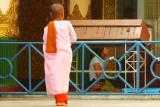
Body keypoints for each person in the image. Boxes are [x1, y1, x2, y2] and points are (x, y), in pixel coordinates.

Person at [43, 3, 77, 106]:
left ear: (50, 14)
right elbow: (74, 38)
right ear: (62, 14)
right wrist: (66, 42)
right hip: (65, 54)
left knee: (55, 77)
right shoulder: (67, 24)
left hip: (52, 55)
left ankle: (60, 99)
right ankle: (62, 100)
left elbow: (45, 41)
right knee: (63, 76)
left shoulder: (48, 27)